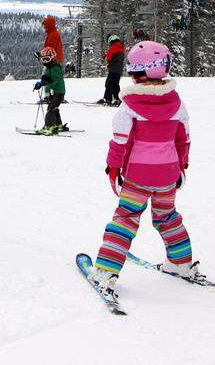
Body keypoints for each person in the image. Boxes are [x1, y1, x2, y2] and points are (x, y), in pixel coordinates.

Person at [86, 41, 197, 294]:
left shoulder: (129, 106)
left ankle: (106, 270)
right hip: (168, 174)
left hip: (137, 176)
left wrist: (113, 169)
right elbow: (184, 138)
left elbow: (119, 141)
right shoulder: (176, 103)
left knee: (125, 218)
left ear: (137, 72)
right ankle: (181, 263)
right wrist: (182, 166)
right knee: (167, 217)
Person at [34, 46, 67, 134]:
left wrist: (46, 81)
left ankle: (49, 127)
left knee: (50, 108)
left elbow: (55, 80)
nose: (45, 62)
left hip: (59, 92)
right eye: (43, 60)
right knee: (54, 107)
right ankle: (57, 124)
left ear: (52, 58)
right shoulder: (49, 67)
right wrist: (41, 83)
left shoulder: (55, 67)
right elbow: (46, 78)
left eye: (47, 59)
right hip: (54, 92)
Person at [98, 34, 125, 106]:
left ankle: (108, 99)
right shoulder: (121, 47)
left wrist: (105, 59)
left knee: (109, 84)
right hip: (118, 70)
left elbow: (108, 58)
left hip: (113, 69)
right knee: (115, 84)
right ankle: (117, 99)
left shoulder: (113, 47)